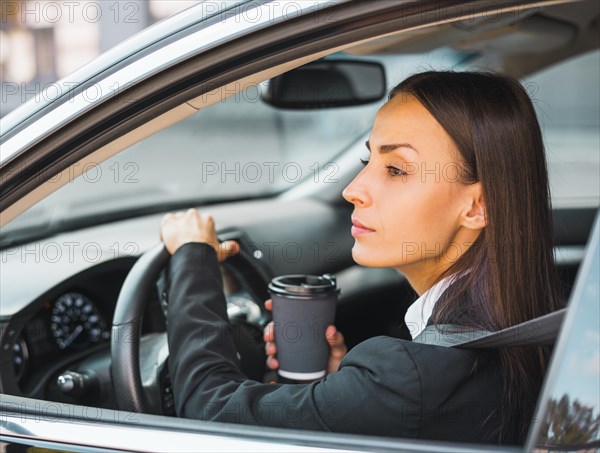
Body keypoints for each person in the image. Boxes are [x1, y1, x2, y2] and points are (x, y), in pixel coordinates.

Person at [159, 71, 561, 445]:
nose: (352, 190)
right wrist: (341, 392)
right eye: (368, 161)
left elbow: (209, 415)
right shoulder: (542, 329)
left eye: (397, 169)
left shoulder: (408, 375)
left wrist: (193, 260)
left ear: (477, 207)